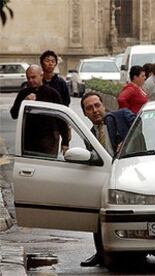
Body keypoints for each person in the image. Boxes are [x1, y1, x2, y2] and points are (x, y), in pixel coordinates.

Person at [80, 92, 136, 266]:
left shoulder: (122, 116)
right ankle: (101, 253)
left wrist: (128, 143)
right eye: (89, 108)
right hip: (105, 178)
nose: (95, 110)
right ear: (85, 113)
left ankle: (135, 250)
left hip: (130, 175)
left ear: (103, 105)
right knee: (98, 214)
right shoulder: (89, 135)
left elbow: (142, 128)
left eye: (97, 105)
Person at [10, 65, 69, 156]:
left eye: (33, 77)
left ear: (41, 75)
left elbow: (61, 119)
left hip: (49, 138)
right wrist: (24, 102)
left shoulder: (53, 93)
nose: (30, 81)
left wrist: (65, 142)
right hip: (29, 139)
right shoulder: (23, 93)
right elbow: (14, 114)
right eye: (28, 78)